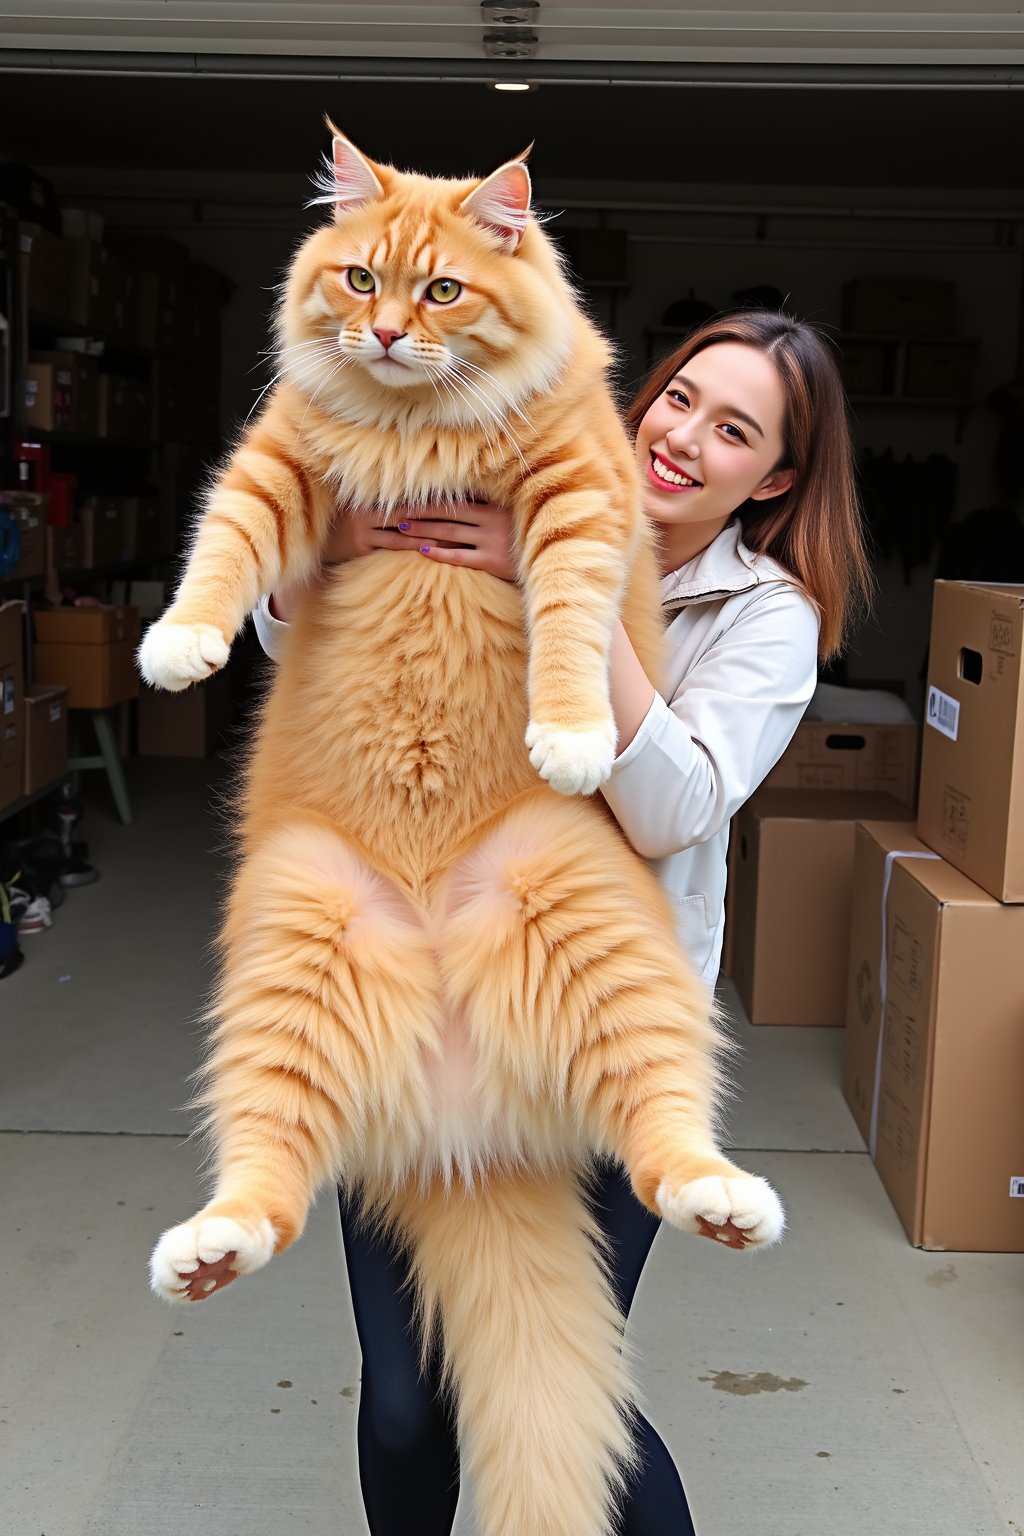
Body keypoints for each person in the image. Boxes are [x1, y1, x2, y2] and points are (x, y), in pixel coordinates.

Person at [254, 309, 872, 1536]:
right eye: (681, 398)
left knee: (547, 1377)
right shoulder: (498, 469)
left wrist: (565, 579)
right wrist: (337, 541)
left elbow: (674, 805)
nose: (686, 437)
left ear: (778, 478)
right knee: (404, 1408)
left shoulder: (764, 616)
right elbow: (287, 641)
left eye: (735, 430)